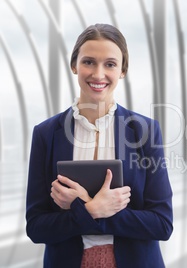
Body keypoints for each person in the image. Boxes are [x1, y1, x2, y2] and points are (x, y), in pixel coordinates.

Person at [25, 23, 173, 268]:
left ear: (122, 70)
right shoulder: (46, 134)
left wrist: (87, 208)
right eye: (89, 62)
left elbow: (162, 224)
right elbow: (36, 227)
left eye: (110, 64)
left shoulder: (145, 131)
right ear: (74, 65)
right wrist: (92, 209)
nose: (98, 74)